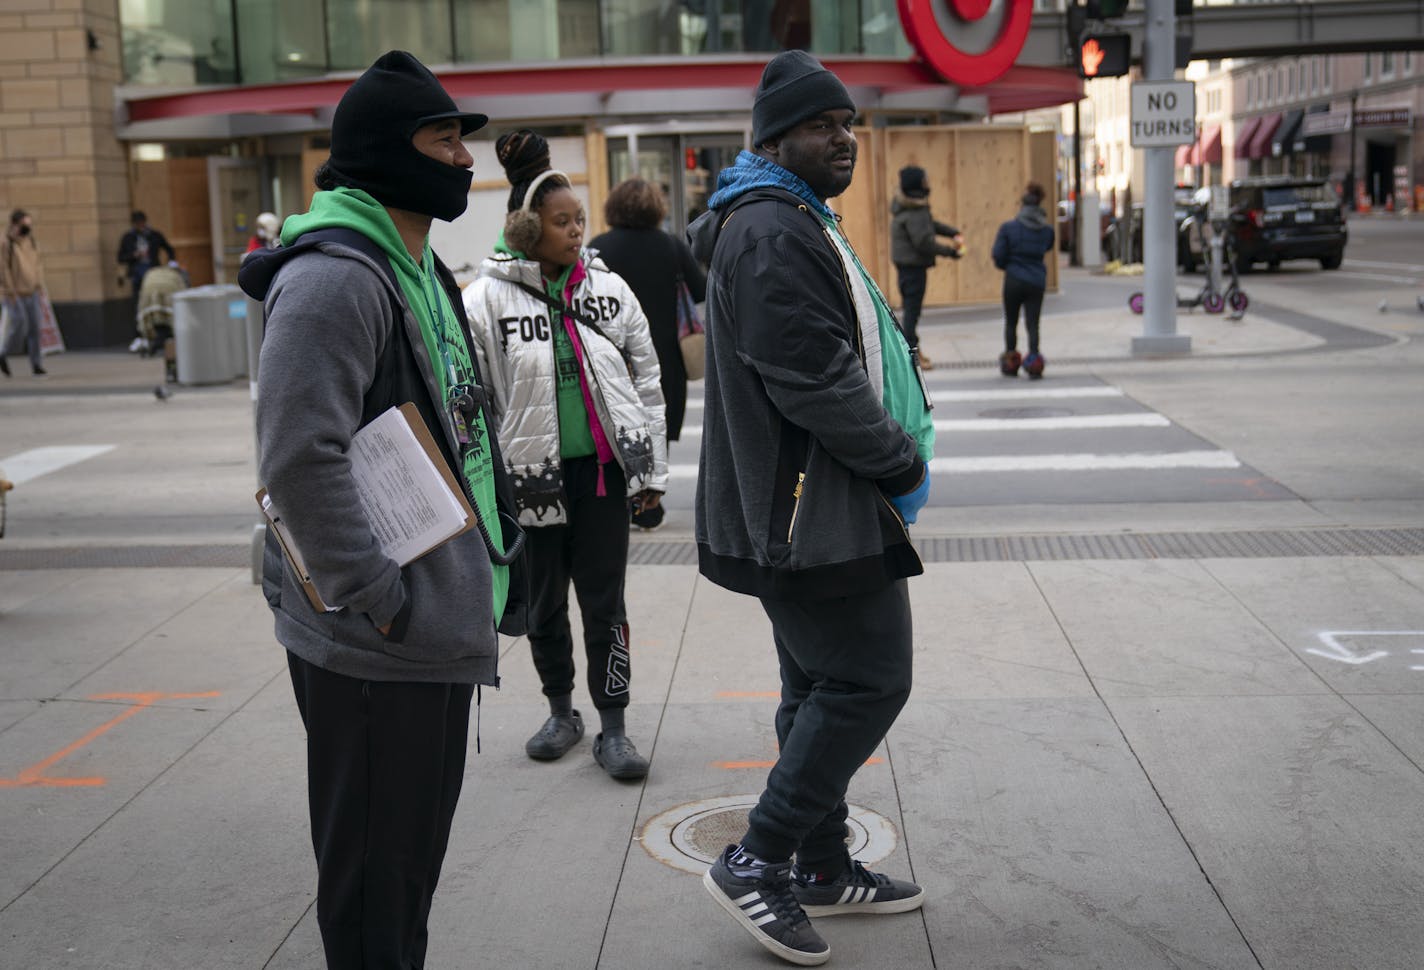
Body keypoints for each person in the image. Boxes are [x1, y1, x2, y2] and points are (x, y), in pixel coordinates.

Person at [236, 50, 526, 970]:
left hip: (427, 624)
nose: (462, 158)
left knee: (406, 871)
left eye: (460, 139)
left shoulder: (416, 266)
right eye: (442, 139)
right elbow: (297, 456)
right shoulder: (336, 278)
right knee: (373, 882)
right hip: (378, 640)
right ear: (382, 153)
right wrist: (379, 594)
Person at [686, 50, 935, 967]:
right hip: (809, 513)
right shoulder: (770, 232)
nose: (844, 139)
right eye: (823, 125)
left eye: (848, 124)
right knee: (870, 679)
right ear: (775, 137)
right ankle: (758, 858)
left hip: (796, 510)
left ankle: (825, 868)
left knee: (814, 689)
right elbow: (814, 380)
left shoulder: (780, 219)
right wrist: (899, 462)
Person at [463, 130, 668, 781]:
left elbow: (648, 383)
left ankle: (614, 727)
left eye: (580, 218)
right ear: (527, 229)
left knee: (605, 604)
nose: (577, 230)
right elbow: (473, 402)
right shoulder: (485, 302)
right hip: (532, 483)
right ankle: (561, 712)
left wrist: (652, 477)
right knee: (546, 605)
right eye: (561, 221)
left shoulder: (610, 291)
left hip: (604, 478)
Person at [588, 177, 707, 446]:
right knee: (657, 444)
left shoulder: (599, 248)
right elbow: (701, 291)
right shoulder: (672, 246)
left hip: (614, 362)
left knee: (616, 441)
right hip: (664, 363)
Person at [889, 164, 962, 370]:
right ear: (916, 185)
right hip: (912, 269)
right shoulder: (915, 211)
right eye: (924, 180)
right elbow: (924, 241)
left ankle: (912, 349)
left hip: (907, 267)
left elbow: (930, 225)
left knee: (912, 311)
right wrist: (951, 252)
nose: (928, 184)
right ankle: (911, 354)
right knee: (912, 313)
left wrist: (951, 232)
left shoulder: (911, 207)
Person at [991, 181, 1055, 379]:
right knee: (1033, 323)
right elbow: (1047, 247)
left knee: (1011, 321)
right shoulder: (1047, 230)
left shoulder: (1009, 228)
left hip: (1014, 279)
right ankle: (1034, 360)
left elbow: (998, 255)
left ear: (1022, 205)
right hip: (1036, 280)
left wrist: (1010, 266)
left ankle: (1011, 360)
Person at [0, 209, 48, 377]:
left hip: (32, 291)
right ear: (15, 225)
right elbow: (4, 268)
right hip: (14, 292)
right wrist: (10, 290)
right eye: (24, 225)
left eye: (29, 224)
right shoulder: (7, 243)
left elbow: (38, 264)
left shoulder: (32, 242)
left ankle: (36, 364)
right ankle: (3, 352)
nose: (27, 228)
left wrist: (39, 285)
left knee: (35, 327)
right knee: (20, 324)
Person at [135, 260, 190, 382]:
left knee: (157, 320)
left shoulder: (154, 272)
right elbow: (182, 293)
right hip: (168, 294)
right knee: (169, 318)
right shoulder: (176, 276)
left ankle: (152, 345)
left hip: (149, 292)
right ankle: (166, 346)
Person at [117, 210, 176, 305]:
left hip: (153, 270)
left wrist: (171, 262)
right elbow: (120, 258)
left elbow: (169, 249)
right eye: (137, 223)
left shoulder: (154, 235)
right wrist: (134, 255)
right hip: (136, 273)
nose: (140, 226)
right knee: (139, 299)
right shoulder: (128, 237)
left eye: (141, 223)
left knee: (154, 296)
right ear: (133, 224)